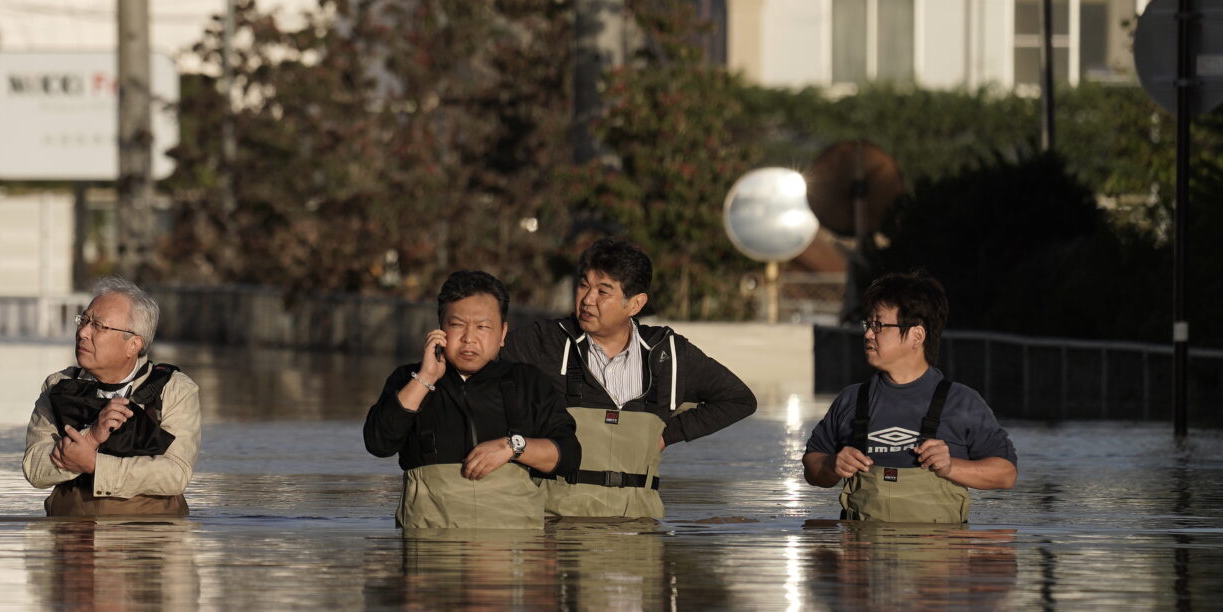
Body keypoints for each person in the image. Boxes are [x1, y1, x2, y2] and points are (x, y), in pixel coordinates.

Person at [501, 239, 756, 519]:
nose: (587, 299)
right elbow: (480, 372)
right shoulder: (545, 341)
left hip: (639, 522)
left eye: (603, 291)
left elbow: (739, 400)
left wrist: (666, 435)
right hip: (556, 524)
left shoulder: (669, 353)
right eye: (584, 285)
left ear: (635, 303)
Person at [363, 269, 581, 530]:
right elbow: (378, 443)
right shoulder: (408, 379)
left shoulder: (528, 382)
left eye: (483, 327)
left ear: (502, 333)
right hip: (430, 545)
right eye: (457, 325)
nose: (469, 338)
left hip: (511, 547)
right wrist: (425, 378)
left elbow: (568, 456)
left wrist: (513, 447)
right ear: (440, 329)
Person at [802, 271, 1018, 523]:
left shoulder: (962, 401)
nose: (868, 334)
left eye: (879, 325)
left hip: (939, 554)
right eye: (868, 325)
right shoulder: (852, 399)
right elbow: (811, 467)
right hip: (863, 555)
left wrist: (951, 467)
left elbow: (1006, 474)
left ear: (917, 335)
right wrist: (831, 464)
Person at [23, 276, 202, 518]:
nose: (83, 332)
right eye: (84, 320)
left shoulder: (174, 389)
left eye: (99, 326)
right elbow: (34, 469)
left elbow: (175, 474)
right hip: (72, 541)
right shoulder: (58, 386)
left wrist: (94, 464)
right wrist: (91, 437)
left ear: (133, 345)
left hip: (150, 542)